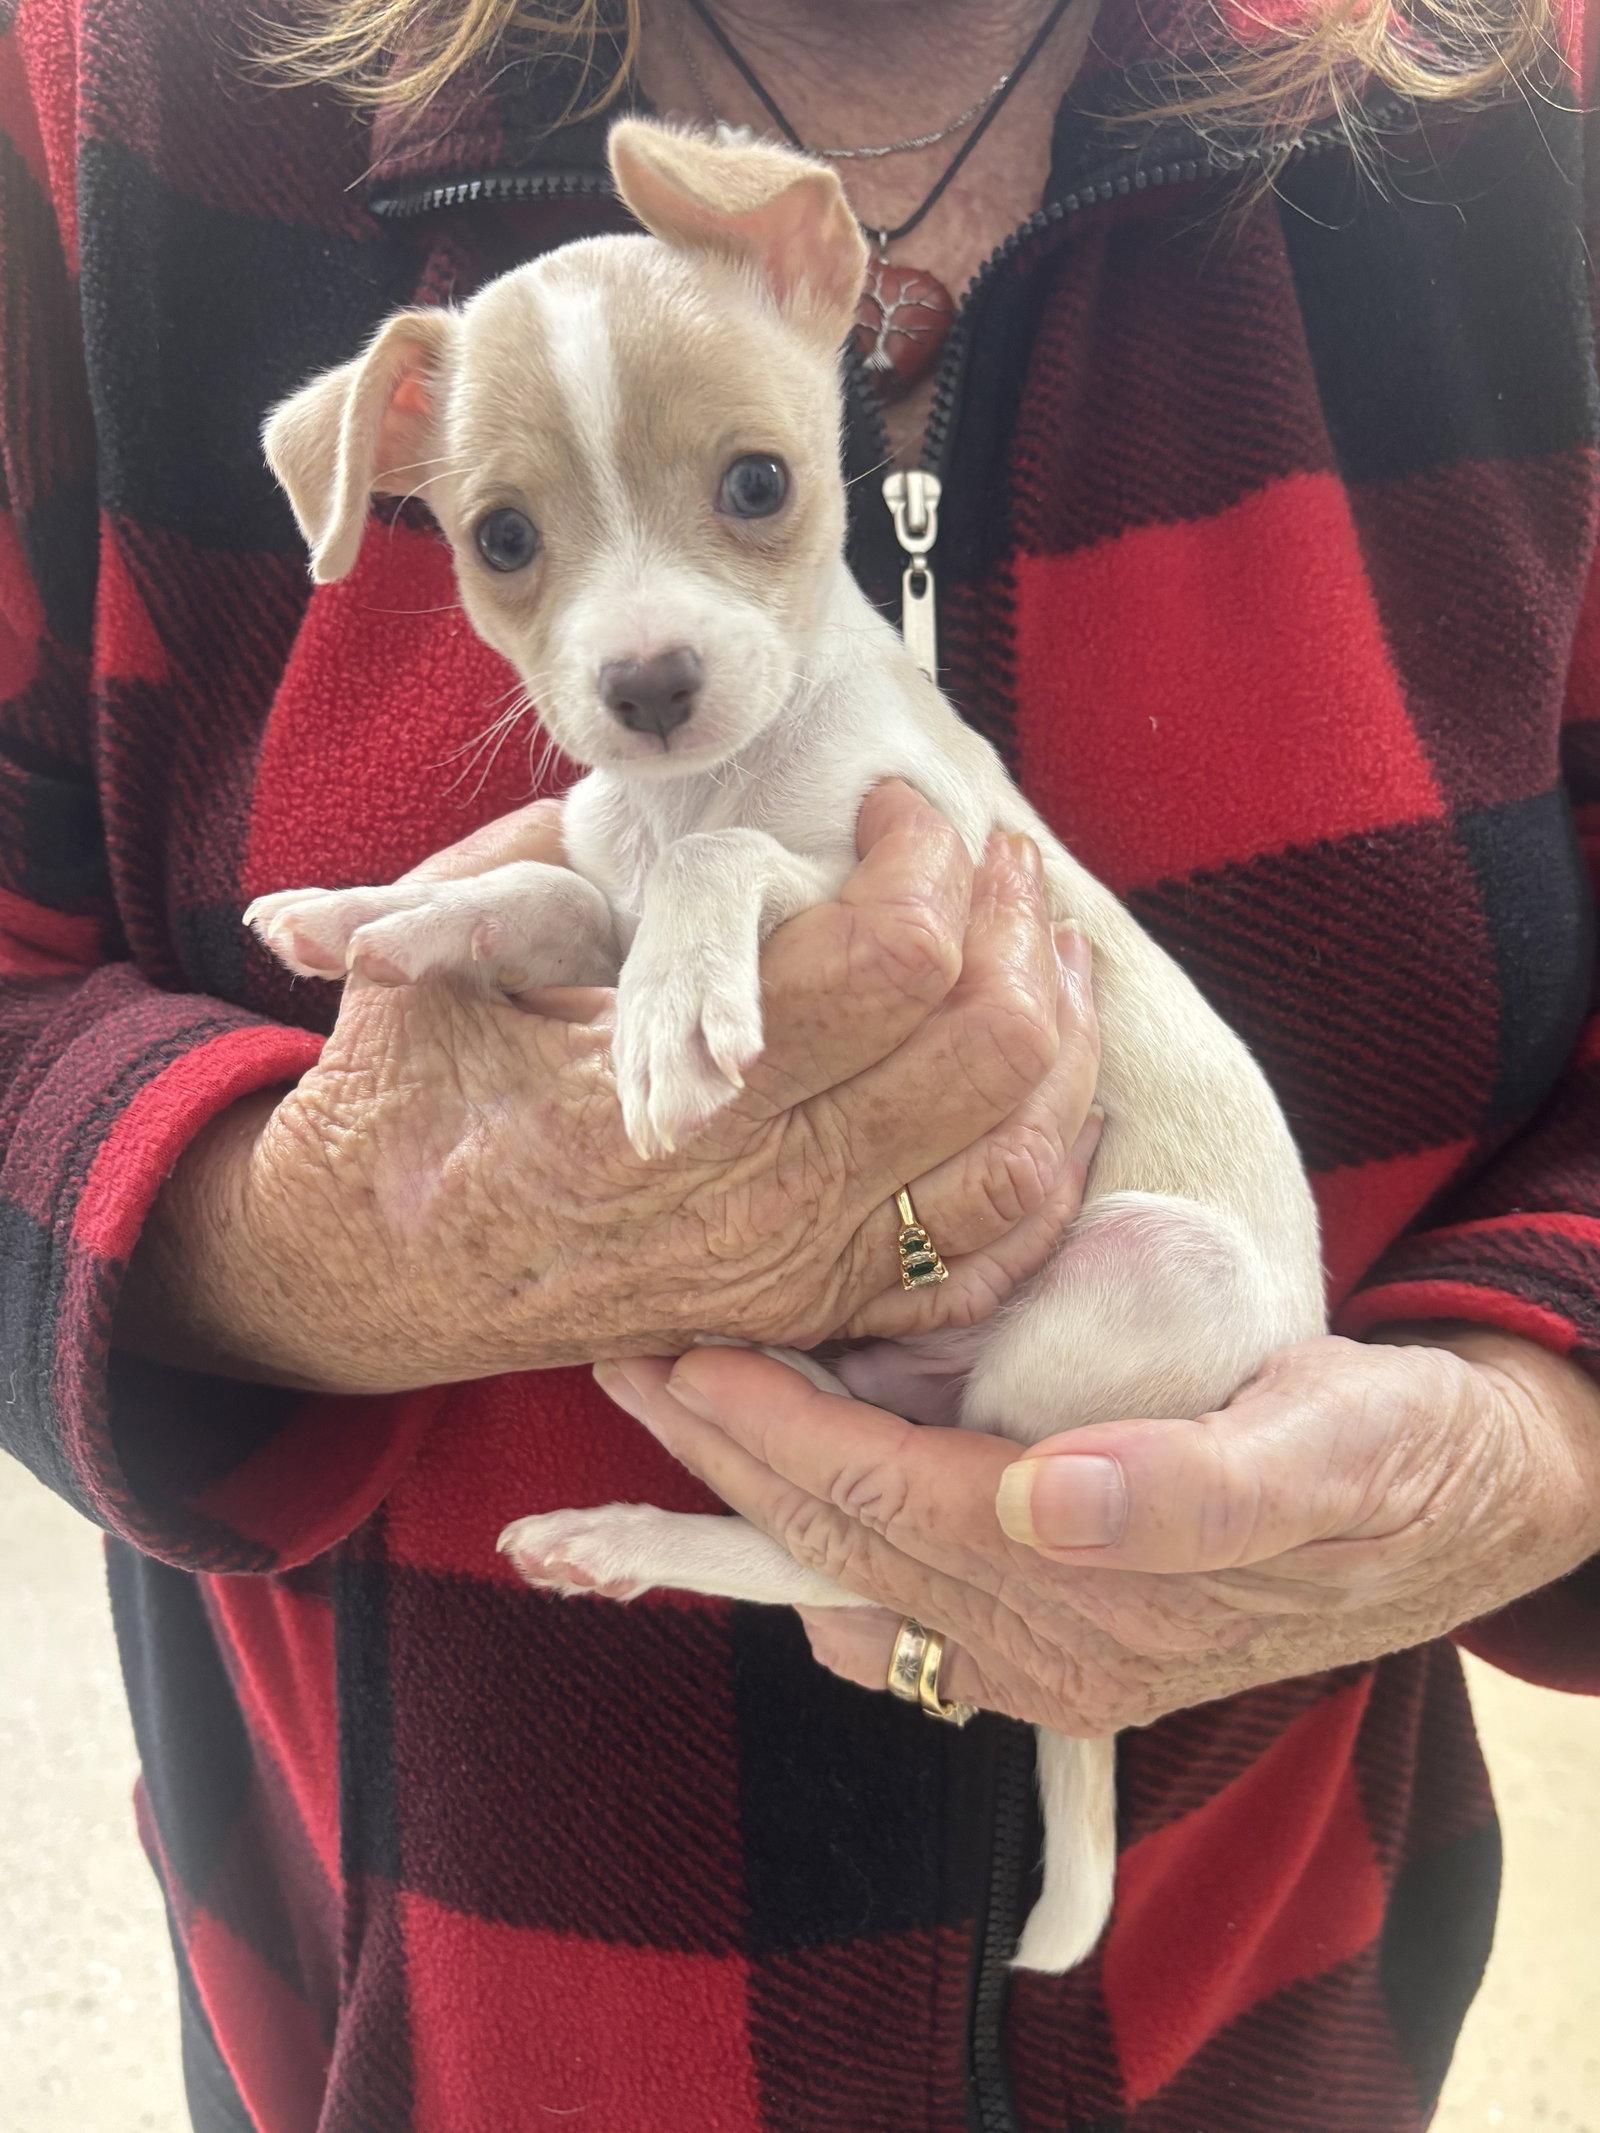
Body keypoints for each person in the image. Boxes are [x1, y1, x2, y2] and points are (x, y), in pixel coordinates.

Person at [2, 0, 1597, 2126]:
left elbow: (758, 873)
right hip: (440, 2018)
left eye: (750, 491)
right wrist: (289, 1196)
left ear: (811, 275)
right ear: (390, 472)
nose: (636, 642)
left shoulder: (1520, 106)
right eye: (510, 543)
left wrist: (1527, 1424)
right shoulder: (119, 88)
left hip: (1265, 1997)